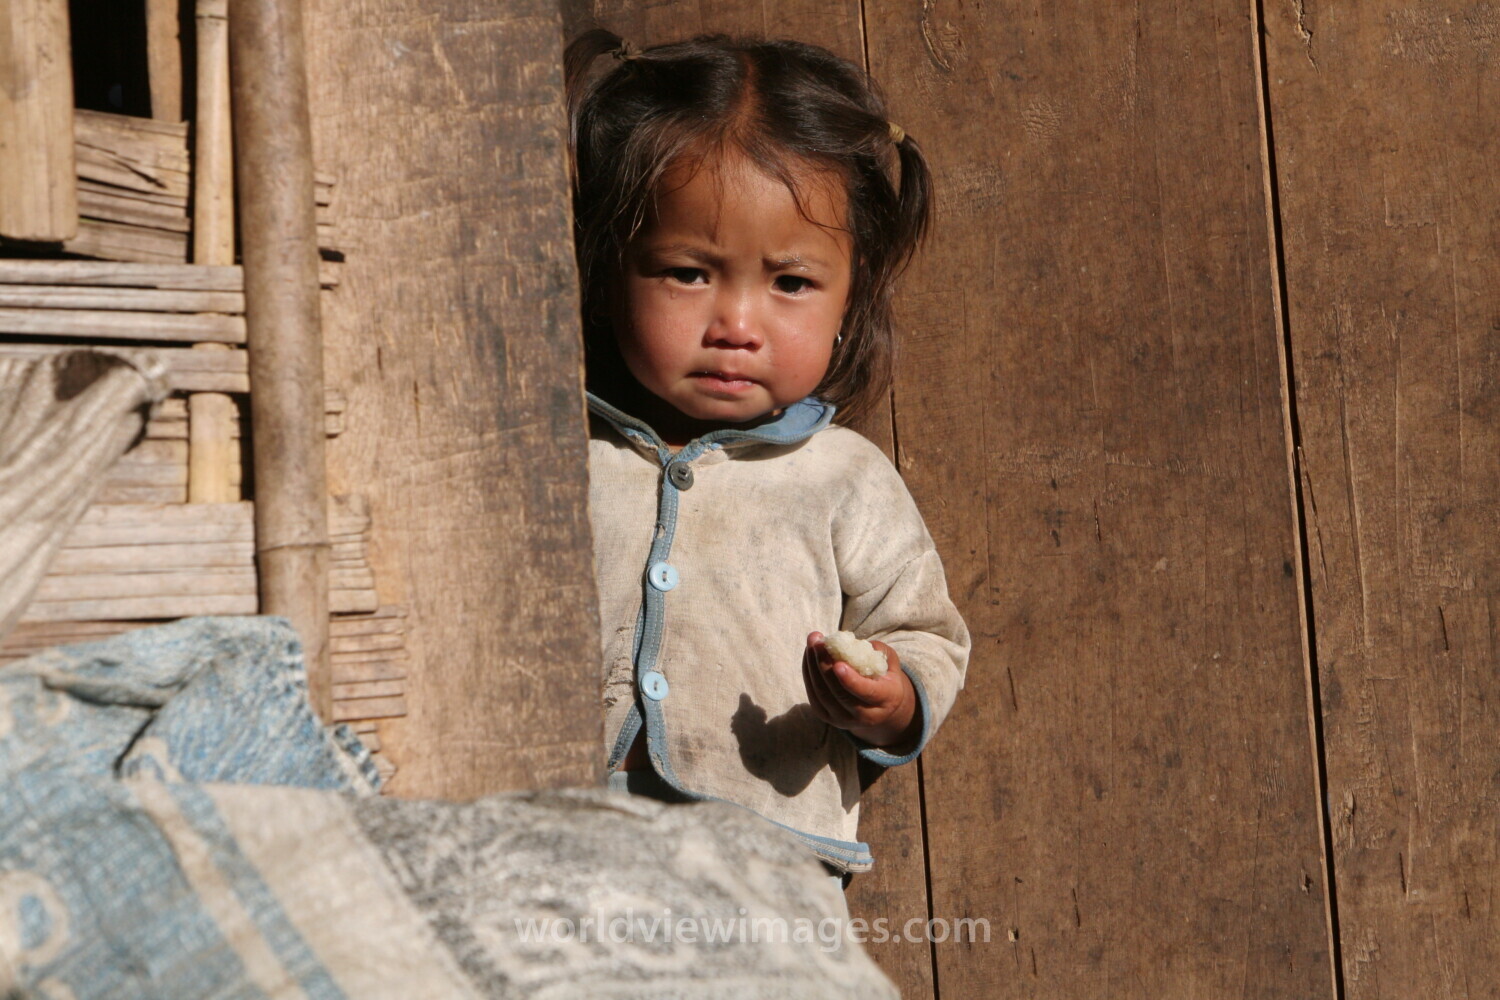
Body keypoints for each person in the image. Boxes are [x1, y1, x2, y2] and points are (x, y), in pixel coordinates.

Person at [566, 29, 970, 881]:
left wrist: (892, 697)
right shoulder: (562, 456)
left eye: (789, 283)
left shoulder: (843, 479)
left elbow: (922, 632)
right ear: (611, 271)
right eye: (687, 272)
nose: (736, 325)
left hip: (770, 865)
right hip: (561, 843)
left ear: (850, 295)